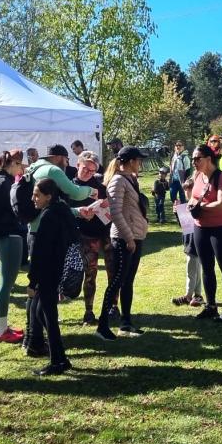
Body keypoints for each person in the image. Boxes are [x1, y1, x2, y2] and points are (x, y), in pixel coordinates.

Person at [95, 146, 150, 340]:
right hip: (123, 239)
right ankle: (102, 325)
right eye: (138, 160)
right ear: (130, 161)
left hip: (135, 237)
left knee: (128, 282)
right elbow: (116, 213)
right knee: (116, 282)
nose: (140, 163)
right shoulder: (117, 181)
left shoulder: (130, 179)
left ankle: (126, 323)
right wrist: (128, 238)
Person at [27, 178, 79, 375]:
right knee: (41, 312)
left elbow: (41, 251)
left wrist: (33, 280)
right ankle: (59, 356)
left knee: (48, 315)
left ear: (48, 196)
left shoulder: (49, 216)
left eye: (37, 195)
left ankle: (58, 361)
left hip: (49, 272)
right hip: (57, 270)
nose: (33, 198)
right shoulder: (63, 210)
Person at [188, 144, 222, 322]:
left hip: (221, 228)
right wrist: (190, 204)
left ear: (208, 159)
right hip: (200, 227)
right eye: (193, 159)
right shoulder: (198, 176)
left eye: (197, 159)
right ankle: (211, 306)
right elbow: (193, 196)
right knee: (207, 267)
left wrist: (199, 207)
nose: (194, 162)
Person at [0, 150, 27, 343]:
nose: (21, 169)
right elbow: (12, 209)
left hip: (4, 235)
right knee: (6, 283)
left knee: (5, 283)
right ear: (14, 163)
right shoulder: (4, 182)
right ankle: (1, 331)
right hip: (8, 235)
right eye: (20, 165)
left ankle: (2, 327)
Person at [72, 151, 112, 325]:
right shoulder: (70, 187)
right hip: (86, 235)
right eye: (85, 168)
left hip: (107, 232)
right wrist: (80, 214)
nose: (88, 172)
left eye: (92, 169)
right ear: (77, 165)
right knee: (90, 273)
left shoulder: (100, 184)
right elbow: (65, 209)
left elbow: (113, 201)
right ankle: (89, 311)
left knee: (113, 270)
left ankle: (113, 306)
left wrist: (107, 202)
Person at [172, 177, 205, 307]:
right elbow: (185, 226)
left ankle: (187, 296)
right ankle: (198, 295)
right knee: (196, 270)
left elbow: (194, 224)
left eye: (189, 190)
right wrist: (177, 213)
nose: (186, 193)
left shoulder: (197, 206)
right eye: (185, 190)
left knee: (191, 272)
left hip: (194, 244)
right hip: (189, 243)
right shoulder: (188, 205)